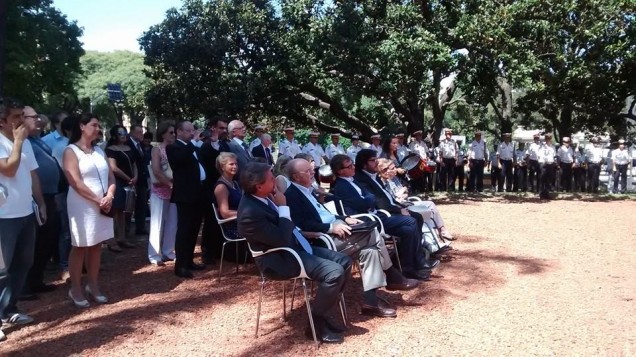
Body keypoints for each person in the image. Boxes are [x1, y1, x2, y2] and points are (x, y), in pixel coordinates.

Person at [286, 159, 419, 318]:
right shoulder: (292, 195)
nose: (312, 173)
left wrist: (345, 218)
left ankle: (371, 301)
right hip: (324, 240)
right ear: (296, 176)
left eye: (311, 169)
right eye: (307, 171)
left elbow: (325, 215)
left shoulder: (307, 190)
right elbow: (301, 225)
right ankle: (392, 275)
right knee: (372, 233)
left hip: (337, 231)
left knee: (370, 251)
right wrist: (331, 227)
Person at [237, 161, 352, 343]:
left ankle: (325, 312)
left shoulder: (266, 196)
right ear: (259, 186)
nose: (276, 180)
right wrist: (283, 207)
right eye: (271, 178)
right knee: (334, 272)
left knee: (344, 262)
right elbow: (281, 238)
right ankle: (316, 325)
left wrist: (305, 232)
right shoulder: (250, 212)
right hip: (278, 260)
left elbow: (290, 228)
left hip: (296, 247)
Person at [331, 151, 436, 281]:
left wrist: (369, 199)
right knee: (410, 222)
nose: (353, 167)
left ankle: (408, 266)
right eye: (349, 166)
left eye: (352, 164)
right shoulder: (342, 185)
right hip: (367, 221)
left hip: (376, 214)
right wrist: (369, 200)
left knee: (409, 228)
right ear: (339, 171)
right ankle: (409, 266)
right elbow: (365, 203)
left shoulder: (352, 180)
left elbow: (369, 198)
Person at [0, 98, 45, 341]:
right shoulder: (11, 141)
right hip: (4, 216)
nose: (20, 121)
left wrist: (40, 201)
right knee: (1, 269)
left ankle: (9, 309)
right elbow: (8, 169)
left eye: (21, 116)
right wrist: (17, 142)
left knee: (23, 263)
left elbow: (30, 173)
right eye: (16, 117)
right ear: (2, 121)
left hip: (25, 211)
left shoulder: (24, 141)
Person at [63, 113, 115, 308]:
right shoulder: (71, 151)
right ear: (82, 127)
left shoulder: (100, 151)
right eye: (94, 125)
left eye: (99, 125)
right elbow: (75, 182)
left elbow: (111, 177)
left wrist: (109, 195)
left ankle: (92, 285)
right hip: (82, 204)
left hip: (103, 202)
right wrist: (97, 200)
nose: (98, 128)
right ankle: (75, 287)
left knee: (96, 244)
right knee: (80, 245)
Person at [24, 107, 59, 298]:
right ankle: (25, 285)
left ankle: (37, 280)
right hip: (34, 199)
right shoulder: (20, 143)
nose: (38, 120)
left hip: (49, 196)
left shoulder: (37, 141)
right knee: (33, 242)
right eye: (34, 117)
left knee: (46, 240)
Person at [166, 121, 209, 278]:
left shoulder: (194, 147)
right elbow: (180, 160)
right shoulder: (173, 147)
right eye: (188, 130)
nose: (192, 133)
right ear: (179, 131)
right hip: (185, 195)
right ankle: (180, 265)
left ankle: (189, 260)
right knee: (184, 230)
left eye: (193, 130)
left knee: (194, 229)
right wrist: (194, 142)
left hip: (198, 192)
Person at [376, 158, 454, 240]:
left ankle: (440, 230)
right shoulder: (383, 183)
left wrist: (403, 192)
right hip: (401, 206)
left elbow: (405, 191)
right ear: (385, 170)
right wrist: (401, 193)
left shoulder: (395, 179)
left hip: (406, 202)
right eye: (393, 168)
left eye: (395, 167)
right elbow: (393, 198)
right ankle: (435, 235)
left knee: (430, 205)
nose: (395, 170)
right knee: (426, 209)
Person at [147, 122, 177, 266]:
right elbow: (156, 170)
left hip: (173, 191)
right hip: (160, 191)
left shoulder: (175, 148)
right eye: (171, 132)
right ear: (163, 133)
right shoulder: (157, 149)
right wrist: (169, 184)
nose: (173, 135)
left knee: (172, 223)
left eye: (174, 132)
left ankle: (168, 251)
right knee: (157, 223)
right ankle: (154, 254)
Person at [105, 125, 138, 251]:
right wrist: (127, 178)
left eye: (124, 133)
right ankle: (111, 240)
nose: (123, 135)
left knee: (124, 210)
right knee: (115, 210)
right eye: (120, 133)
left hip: (129, 182)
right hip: (117, 182)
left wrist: (135, 177)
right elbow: (113, 167)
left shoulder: (129, 147)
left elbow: (135, 164)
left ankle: (122, 238)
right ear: (114, 136)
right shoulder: (111, 149)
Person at [127, 124, 149, 235]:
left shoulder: (141, 144)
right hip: (131, 179)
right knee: (128, 206)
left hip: (142, 179)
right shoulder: (127, 143)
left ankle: (140, 228)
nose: (141, 134)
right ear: (132, 132)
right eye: (139, 132)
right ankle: (125, 231)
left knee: (142, 204)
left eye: (142, 132)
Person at [538, 134, 557, 199]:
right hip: (544, 164)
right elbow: (540, 155)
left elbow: (554, 156)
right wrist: (543, 162)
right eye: (547, 138)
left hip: (550, 164)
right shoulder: (542, 146)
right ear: (545, 139)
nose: (548, 140)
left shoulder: (553, 147)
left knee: (549, 179)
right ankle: (541, 194)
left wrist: (554, 162)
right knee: (543, 179)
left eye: (549, 138)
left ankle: (547, 193)